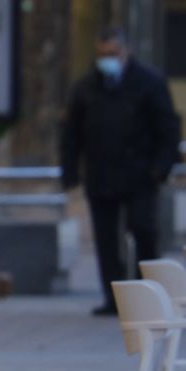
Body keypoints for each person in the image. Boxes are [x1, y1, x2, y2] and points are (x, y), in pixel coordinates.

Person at [60, 26, 181, 316]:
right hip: (101, 174)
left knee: (143, 230)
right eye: (102, 54)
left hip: (140, 174)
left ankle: (147, 295)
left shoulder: (149, 83)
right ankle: (114, 298)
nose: (107, 59)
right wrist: (70, 173)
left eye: (112, 53)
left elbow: (168, 128)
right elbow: (72, 132)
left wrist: (160, 168)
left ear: (127, 51)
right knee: (106, 239)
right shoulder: (87, 86)